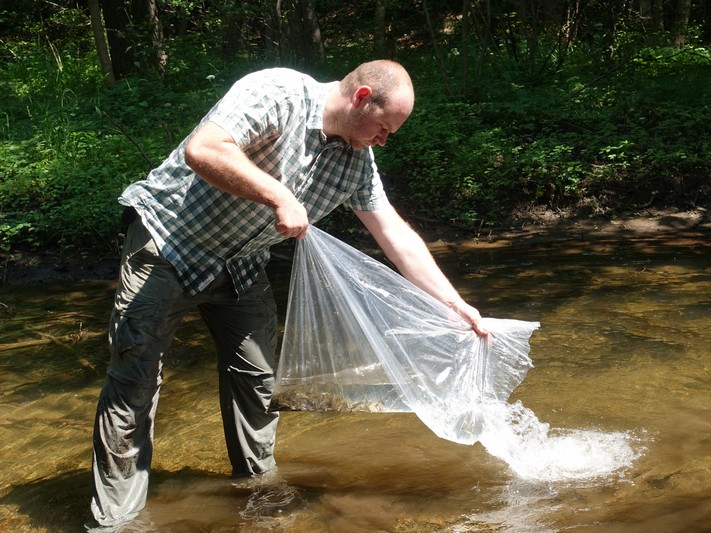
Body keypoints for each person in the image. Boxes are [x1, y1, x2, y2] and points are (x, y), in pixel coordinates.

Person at [89, 59, 488, 528]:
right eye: (384, 127)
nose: (385, 139)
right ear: (361, 98)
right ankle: (116, 521)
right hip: (169, 243)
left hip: (240, 263)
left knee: (258, 382)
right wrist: (279, 195)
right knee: (135, 381)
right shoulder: (278, 93)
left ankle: (255, 493)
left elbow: (395, 236)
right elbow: (204, 149)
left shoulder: (356, 163)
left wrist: (455, 304)